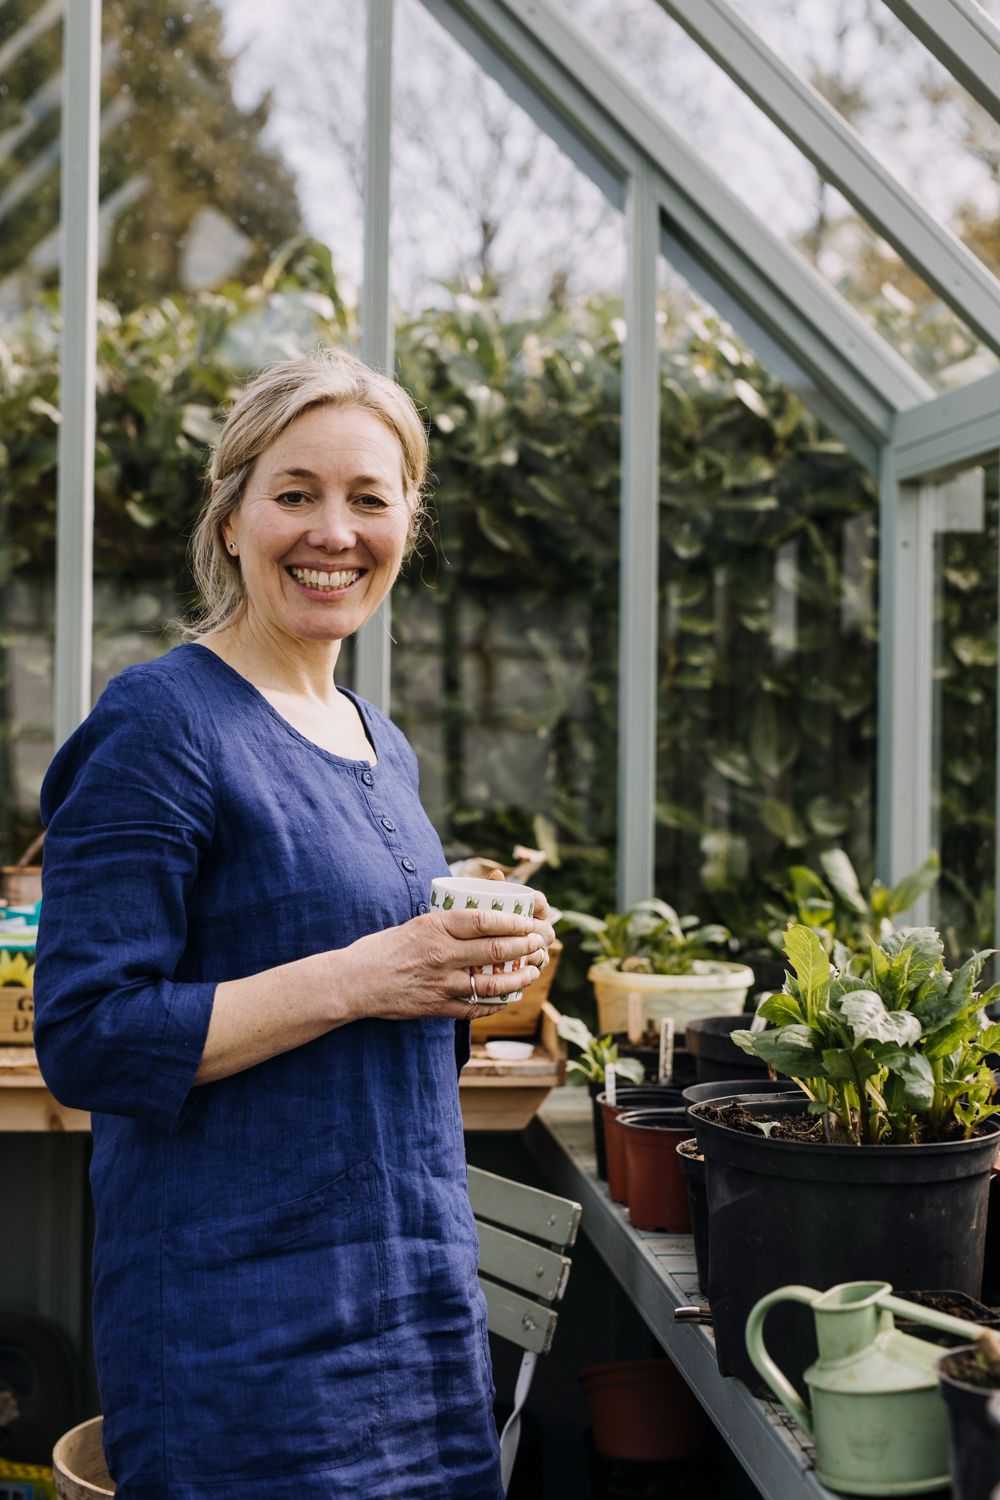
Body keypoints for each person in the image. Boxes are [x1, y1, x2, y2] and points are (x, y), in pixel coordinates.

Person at [33, 348, 556, 1500]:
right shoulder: (160, 722)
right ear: (231, 520)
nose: (334, 531)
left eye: (369, 498)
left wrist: (473, 969)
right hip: (242, 1326)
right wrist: (365, 974)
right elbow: (87, 1036)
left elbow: (376, 1008)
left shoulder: (379, 738)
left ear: (407, 525)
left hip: (414, 1302)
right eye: (295, 493)